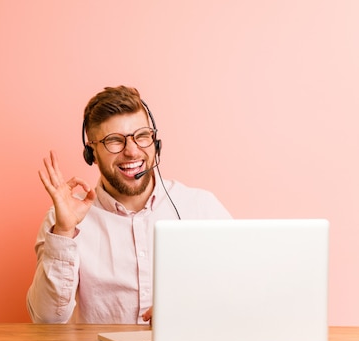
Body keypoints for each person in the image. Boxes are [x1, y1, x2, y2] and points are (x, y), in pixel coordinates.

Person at [26, 85, 232, 324]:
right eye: (114, 141)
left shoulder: (201, 208)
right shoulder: (62, 220)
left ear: (156, 142)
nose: (132, 151)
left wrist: (193, 307)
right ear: (91, 152)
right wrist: (64, 233)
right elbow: (46, 320)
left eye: (142, 136)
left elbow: (241, 291)